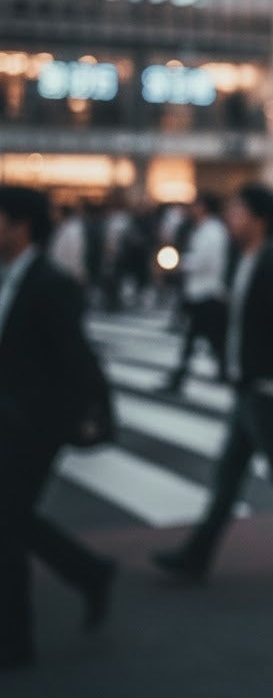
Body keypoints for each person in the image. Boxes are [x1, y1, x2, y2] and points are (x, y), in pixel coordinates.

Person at [150, 184, 273, 582]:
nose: (230, 218)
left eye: (238, 212)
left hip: (264, 389)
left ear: (260, 219)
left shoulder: (272, 263)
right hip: (248, 385)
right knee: (231, 475)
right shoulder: (245, 260)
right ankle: (198, 554)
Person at [0, 186, 116, 671]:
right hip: (10, 421)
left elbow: (77, 362)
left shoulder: (51, 283)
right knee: (12, 519)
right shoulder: (11, 277)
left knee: (6, 525)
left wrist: (69, 421)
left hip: (31, 428)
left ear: (20, 225)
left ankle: (15, 643)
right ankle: (88, 572)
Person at [160, 193, 231, 392]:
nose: (192, 209)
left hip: (206, 292)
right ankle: (222, 371)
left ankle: (179, 377)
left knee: (197, 338)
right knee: (209, 338)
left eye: (196, 204)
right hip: (202, 292)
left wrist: (180, 265)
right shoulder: (205, 229)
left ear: (204, 206)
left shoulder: (212, 231)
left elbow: (206, 261)